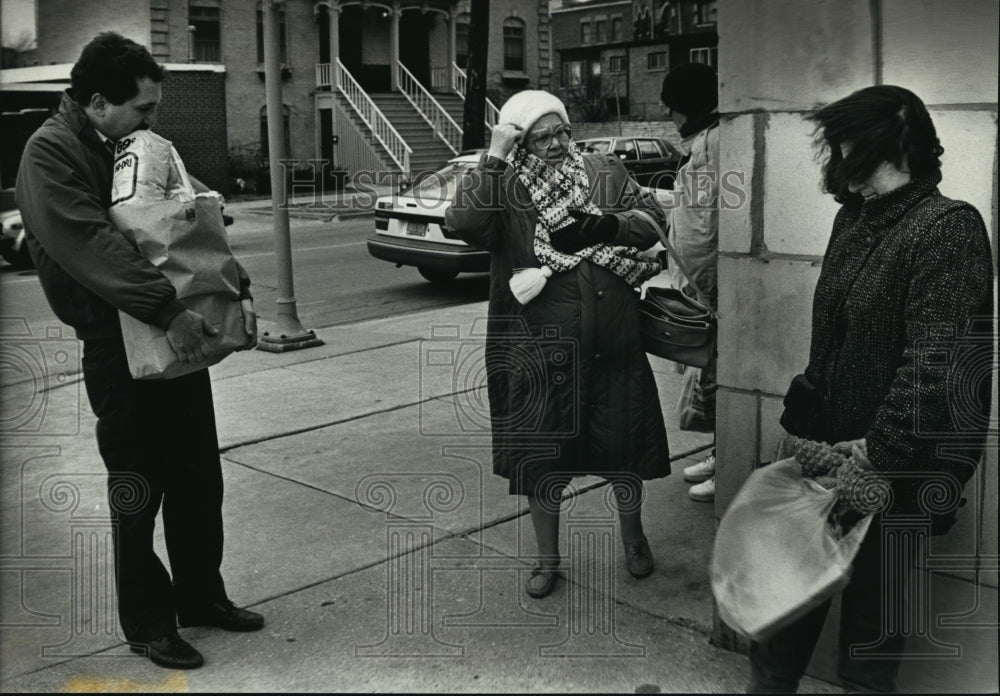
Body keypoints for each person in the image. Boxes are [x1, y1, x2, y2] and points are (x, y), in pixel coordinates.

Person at [15, 32, 263, 670]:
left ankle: (201, 597)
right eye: (142, 108)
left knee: (197, 479)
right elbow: (90, 243)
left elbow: (191, 222)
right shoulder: (51, 152)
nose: (152, 119)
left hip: (174, 332)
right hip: (118, 345)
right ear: (98, 102)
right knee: (138, 489)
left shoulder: (138, 146)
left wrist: (235, 288)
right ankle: (150, 624)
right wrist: (168, 311)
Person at [748, 85, 994, 693]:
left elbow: (934, 363)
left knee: (870, 636)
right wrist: (804, 433)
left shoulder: (948, 228)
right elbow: (834, 341)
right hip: (826, 458)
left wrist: (876, 452)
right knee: (785, 616)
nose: (837, 162)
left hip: (894, 474)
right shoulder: (854, 218)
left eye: (846, 147)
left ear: (889, 147)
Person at [446, 90, 671, 599]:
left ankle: (634, 540)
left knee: (623, 452)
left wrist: (609, 225)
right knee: (543, 461)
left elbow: (653, 220)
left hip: (614, 343)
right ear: (520, 142)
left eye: (561, 131)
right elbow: (464, 223)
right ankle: (547, 557)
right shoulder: (505, 183)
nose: (555, 143)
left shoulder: (603, 171)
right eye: (540, 136)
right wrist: (494, 157)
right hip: (539, 353)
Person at [658, 62, 720, 502]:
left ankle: (728, 460)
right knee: (711, 377)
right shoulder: (706, 141)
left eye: (673, 106)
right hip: (705, 287)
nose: (669, 114)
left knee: (717, 377)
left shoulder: (711, 145)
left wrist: (695, 292)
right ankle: (722, 451)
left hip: (708, 290)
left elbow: (704, 228)